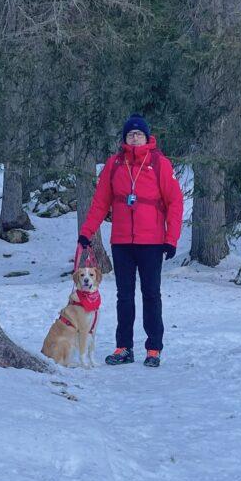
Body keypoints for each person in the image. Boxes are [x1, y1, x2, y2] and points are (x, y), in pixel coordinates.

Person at [78, 114, 183, 368]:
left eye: (138, 134)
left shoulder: (159, 163)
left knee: (151, 294)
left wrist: (171, 239)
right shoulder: (114, 165)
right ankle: (124, 347)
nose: (134, 138)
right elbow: (100, 203)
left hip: (152, 241)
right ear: (124, 138)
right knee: (124, 296)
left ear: (147, 137)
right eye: (130, 134)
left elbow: (174, 203)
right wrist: (87, 232)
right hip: (122, 241)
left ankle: (154, 348)